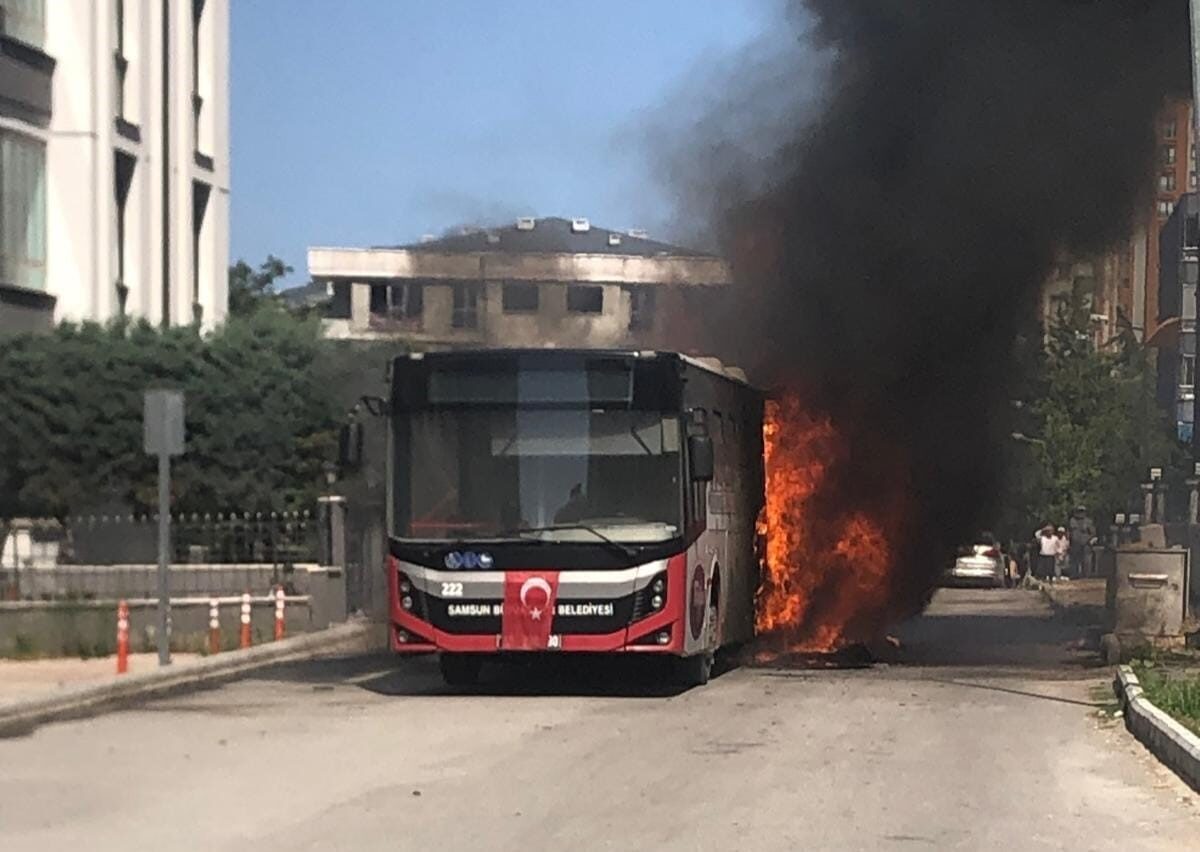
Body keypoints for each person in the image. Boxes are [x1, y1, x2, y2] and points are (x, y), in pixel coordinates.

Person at [1068, 505, 1096, 579]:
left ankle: (1086, 576)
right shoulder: (1072, 520)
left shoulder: (1088, 521)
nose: (1080, 513)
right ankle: (1074, 575)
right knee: (1074, 561)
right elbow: (1069, 532)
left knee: (1086, 561)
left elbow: (1093, 533)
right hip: (1075, 544)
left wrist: (1089, 540)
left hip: (1086, 544)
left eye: (1082, 511)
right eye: (1079, 511)